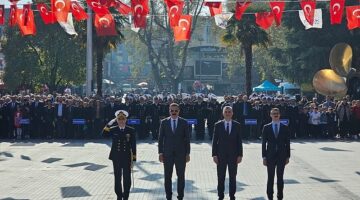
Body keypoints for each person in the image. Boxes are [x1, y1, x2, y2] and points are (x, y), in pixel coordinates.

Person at [158, 103, 191, 200]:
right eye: (172, 110)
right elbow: (160, 139)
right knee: (167, 177)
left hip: (181, 154)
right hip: (167, 154)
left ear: (179, 111)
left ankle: (180, 196)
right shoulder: (164, 122)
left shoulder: (184, 122)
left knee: (181, 176)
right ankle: (168, 196)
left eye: (176, 110)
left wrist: (187, 153)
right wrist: (160, 153)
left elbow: (187, 139)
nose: (174, 112)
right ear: (169, 111)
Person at [102, 110, 136, 200]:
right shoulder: (113, 129)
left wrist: (134, 159)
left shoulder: (131, 130)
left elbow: (133, 145)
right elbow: (104, 135)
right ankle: (119, 195)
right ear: (117, 120)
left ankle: (126, 196)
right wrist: (109, 123)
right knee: (117, 177)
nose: (121, 121)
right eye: (119, 119)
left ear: (126, 120)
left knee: (127, 178)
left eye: (123, 119)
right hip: (116, 156)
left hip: (126, 157)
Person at [212, 106, 243, 200]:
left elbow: (239, 141)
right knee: (221, 177)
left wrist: (240, 155)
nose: (228, 113)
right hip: (220, 155)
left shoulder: (237, 125)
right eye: (226, 112)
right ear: (223, 113)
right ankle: (220, 195)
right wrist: (214, 155)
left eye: (229, 112)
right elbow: (214, 141)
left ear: (232, 113)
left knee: (232, 177)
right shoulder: (218, 125)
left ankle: (232, 195)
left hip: (233, 155)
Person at [262, 108, 290, 200]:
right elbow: (263, 143)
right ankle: (270, 196)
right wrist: (264, 157)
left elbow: (287, 143)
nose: (275, 115)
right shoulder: (266, 127)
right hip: (270, 156)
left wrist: (288, 156)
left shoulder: (285, 127)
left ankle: (280, 196)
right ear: (270, 115)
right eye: (273, 113)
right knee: (270, 178)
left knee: (280, 178)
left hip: (282, 155)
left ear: (279, 114)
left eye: (277, 113)